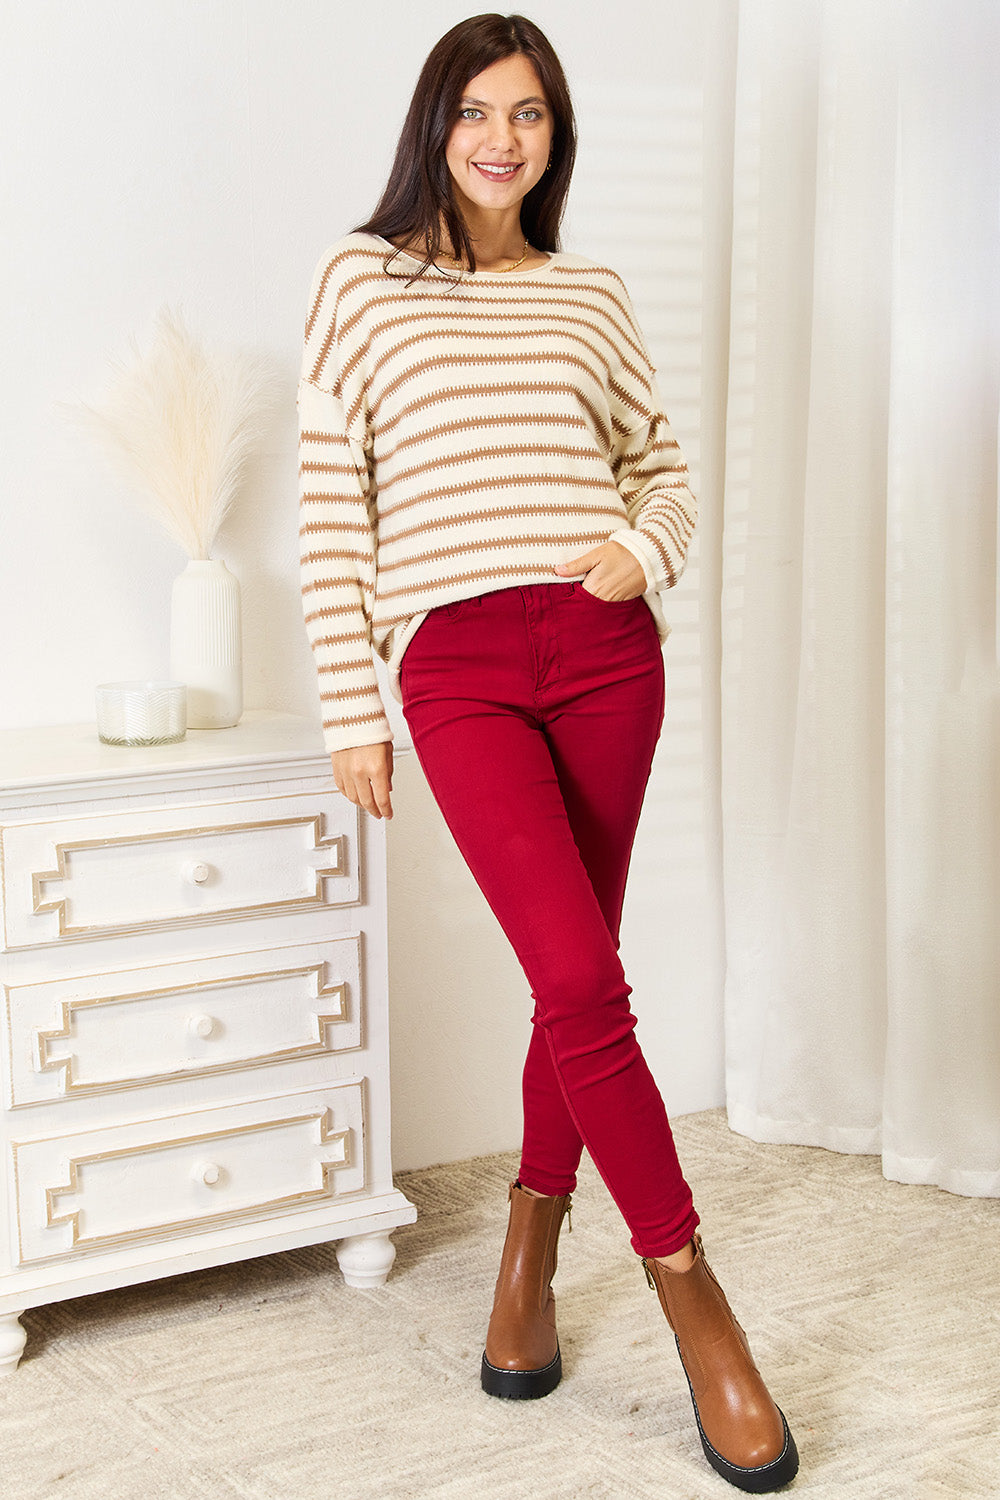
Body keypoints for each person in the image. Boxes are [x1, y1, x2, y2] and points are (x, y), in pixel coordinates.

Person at [297, 13, 798, 1493]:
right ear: (432, 125)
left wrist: (642, 553)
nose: (503, 138)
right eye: (475, 111)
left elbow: (664, 463)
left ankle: (528, 1250)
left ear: (554, 136)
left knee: (567, 977)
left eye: (529, 115)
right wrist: (350, 703)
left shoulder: (589, 290)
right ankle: (693, 1298)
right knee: (584, 980)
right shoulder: (359, 279)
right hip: (456, 664)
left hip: (602, 655)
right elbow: (336, 509)